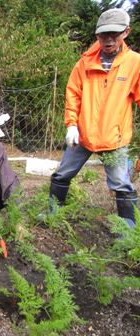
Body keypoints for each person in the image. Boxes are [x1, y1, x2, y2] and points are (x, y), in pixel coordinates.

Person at [49, 8, 140, 227]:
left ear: (125, 33)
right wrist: (71, 125)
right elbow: (73, 94)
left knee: (121, 184)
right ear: (97, 35)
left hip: (114, 138)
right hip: (83, 134)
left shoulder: (135, 63)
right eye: (103, 35)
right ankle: (53, 216)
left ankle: (128, 231)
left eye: (114, 34)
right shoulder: (84, 63)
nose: (108, 40)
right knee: (62, 174)